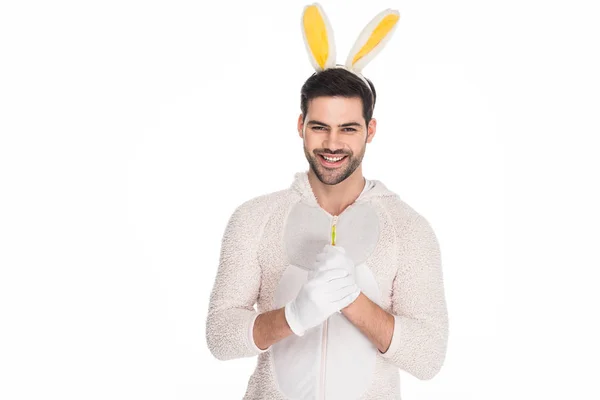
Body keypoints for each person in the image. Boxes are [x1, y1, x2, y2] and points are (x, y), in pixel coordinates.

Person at [205, 3, 449, 399]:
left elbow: (429, 355)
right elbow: (219, 335)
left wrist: (354, 301)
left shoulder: (408, 229)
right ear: (301, 126)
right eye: (320, 127)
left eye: (348, 128)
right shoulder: (255, 219)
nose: (332, 144)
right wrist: (294, 315)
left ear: (370, 131)